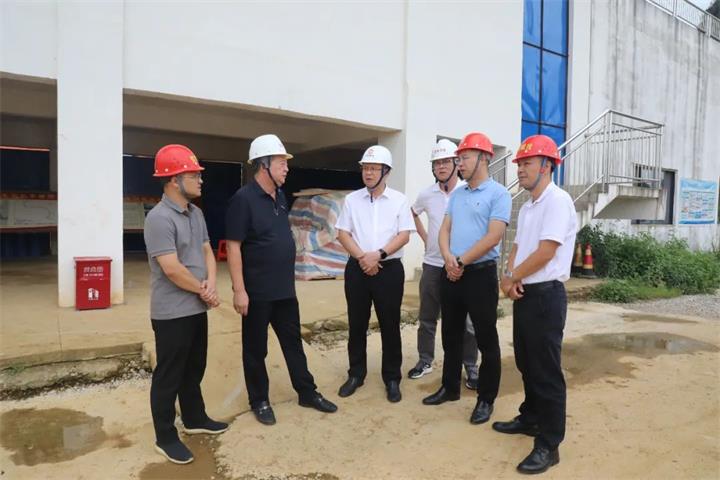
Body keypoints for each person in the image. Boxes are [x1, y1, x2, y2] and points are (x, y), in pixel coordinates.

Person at [225, 134, 337, 426]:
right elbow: (234, 247)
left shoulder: (281, 196)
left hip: (285, 289)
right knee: (255, 349)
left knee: (293, 343)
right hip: (257, 291)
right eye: (280, 163)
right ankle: (259, 400)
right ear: (263, 165)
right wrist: (239, 290)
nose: (287, 168)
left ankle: (307, 392)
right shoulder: (243, 200)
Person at [495, 135, 576, 475]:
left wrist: (512, 277)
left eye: (526, 163)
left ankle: (549, 444)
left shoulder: (558, 201)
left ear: (547, 166)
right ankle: (530, 418)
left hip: (546, 295)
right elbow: (518, 247)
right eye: (519, 164)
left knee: (546, 371)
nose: (520, 170)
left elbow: (546, 252)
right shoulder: (529, 205)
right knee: (527, 362)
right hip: (526, 292)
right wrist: (510, 276)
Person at [144, 144, 227, 465]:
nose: (200, 180)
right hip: (172, 312)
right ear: (173, 180)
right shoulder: (159, 218)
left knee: (194, 368)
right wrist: (205, 292)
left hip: (195, 307)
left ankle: (194, 418)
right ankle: (165, 437)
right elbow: (172, 268)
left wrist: (211, 282)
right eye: (194, 175)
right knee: (169, 375)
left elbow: (207, 250)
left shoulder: (197, 213)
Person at [422, 132, 510, 428]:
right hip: (451, 272)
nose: (459, 163)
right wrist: (448, 258)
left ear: (485, 158)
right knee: (451, 334)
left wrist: (461, 261)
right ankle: (449, 388)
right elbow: (444, 229)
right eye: (458, 158)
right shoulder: (458, 194)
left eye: (465, 158)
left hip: (480, 274)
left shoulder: (498, 194)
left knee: (485, 338)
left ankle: (486, 398)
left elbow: (493, 236)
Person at [335, 145, 415, 403]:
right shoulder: (352, 199)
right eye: (365, 168)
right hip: (357, 268)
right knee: (356, 324)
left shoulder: (399, 200)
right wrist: (362, 257)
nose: (368, 173)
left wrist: (378, 255)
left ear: (386, 172)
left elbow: (404, 234)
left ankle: (392, 378)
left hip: (388, 270)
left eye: (373, 169)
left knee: (390, 325)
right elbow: (342, 233)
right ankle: (356, 374)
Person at [408, 139, 479, 389]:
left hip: (461, 266)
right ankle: (425, 360)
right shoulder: (427, 194)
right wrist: (426, 238)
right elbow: (412, 213)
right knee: (427, 318)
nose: (440, 166)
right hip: (432, 265)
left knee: (466, 323)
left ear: (456, 163)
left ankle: (470, 367)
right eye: (436, 163)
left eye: (445, 161)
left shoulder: (467, 191)